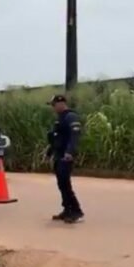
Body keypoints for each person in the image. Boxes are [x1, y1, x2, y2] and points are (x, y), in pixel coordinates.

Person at [47, 95, 85, 224]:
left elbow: (75, 136)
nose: (53, 107)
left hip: (66, 156)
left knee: (65, 184)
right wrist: (50, 151)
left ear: (61, 103)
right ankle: (67, 209)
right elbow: (57, 137)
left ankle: (76, 211)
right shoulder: (60, 118)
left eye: (54, 105)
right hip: (59, 154)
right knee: (61, 184)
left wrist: (69, 152)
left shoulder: (71, 116)